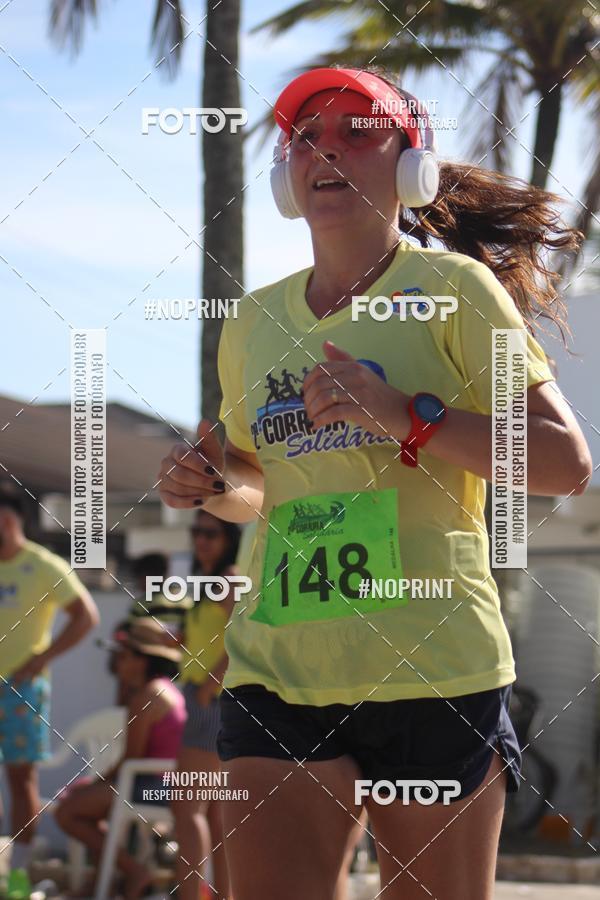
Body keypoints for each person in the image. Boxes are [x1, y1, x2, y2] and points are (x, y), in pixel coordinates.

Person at [158, 66, 593, 900]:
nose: (326, 149)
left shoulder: (456, 291)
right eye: (306, 137)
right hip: (278, 666)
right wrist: (210, 483)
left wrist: (408, 416)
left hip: (434, 670)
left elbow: (563, 462)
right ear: (287, 174)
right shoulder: (253, 320)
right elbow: (259, 489)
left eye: (357, 131)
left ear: (410, 163)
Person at [0, 484, 99, 898]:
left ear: (10, 520)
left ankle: (18, 879)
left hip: (21, 688)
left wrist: (41, 659)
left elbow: (86, 616)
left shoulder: (42, 564)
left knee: (21, 779)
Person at [54, 618, 187, 899]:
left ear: (141, 660)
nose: (117, 664)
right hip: (167, 785)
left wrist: (93, 785)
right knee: (88, 807)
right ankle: (102, 884)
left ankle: (134, 872)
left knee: (67, 812)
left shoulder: (147, 696)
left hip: (153, 787)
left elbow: (130, 760)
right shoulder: (167, 690)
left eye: (123, 656)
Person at [169, 510, 240, 900]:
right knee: (214, 814)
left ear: (228, 538)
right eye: (197, 531)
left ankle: (189, 896)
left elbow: (242, 637)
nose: (201, 540)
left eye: (210, 533)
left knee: (187, 808)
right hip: (207, 697)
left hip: (210, 701)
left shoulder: (229, 578)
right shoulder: (208, 581)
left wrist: (209, 685)